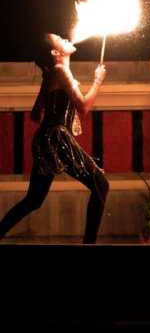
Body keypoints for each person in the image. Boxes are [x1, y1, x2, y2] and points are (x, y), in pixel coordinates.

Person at [0, 34, 109, 244]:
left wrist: (52, 96)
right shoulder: (61, 71)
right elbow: (84, 107)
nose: (65, 38)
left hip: (45, 139)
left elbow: (34, 115)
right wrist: (98, 80)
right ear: (55, 52)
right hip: (58, 139)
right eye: (59, 38)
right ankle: (89, 244)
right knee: (101, 184)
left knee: (34, 200)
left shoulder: (52, 73)